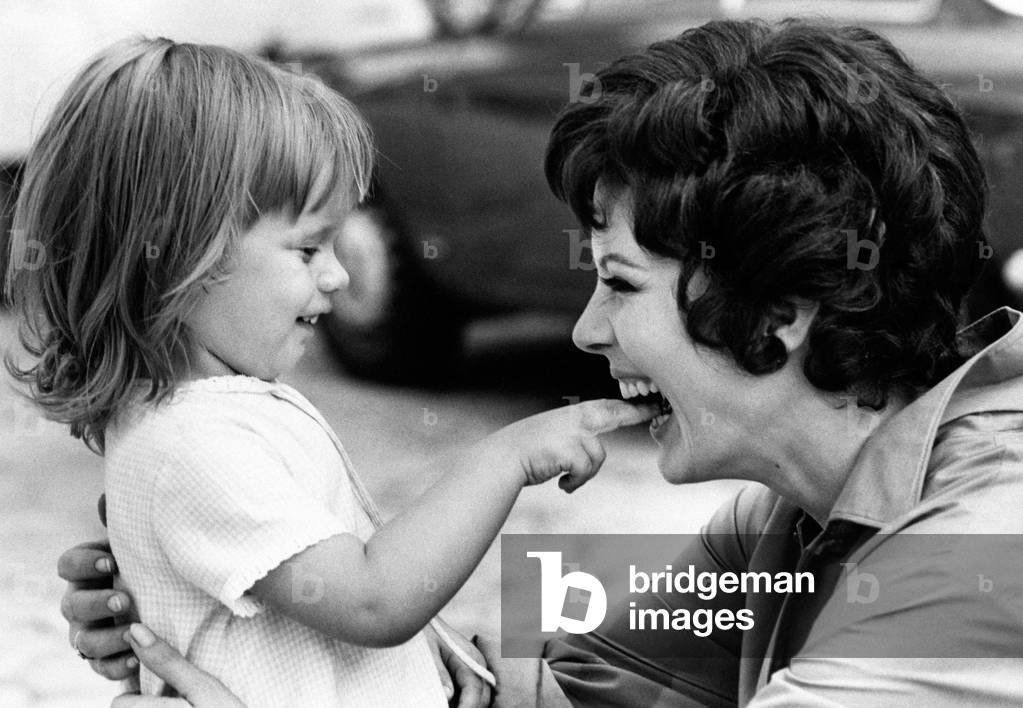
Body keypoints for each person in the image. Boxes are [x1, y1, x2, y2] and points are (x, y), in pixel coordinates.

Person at [56, 18, 1023, 707]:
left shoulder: (984, 558)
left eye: (621, 282)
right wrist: (249, 629)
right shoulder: (780, 520)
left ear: (782, 310)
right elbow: (579, 687)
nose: (584, 332)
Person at [6, 37, 656, 707]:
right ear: (177, 253)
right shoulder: (192, 442)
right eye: (309, 247)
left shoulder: (214, 417)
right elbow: (373, 603)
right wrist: (504, 457)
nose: (339, 275)